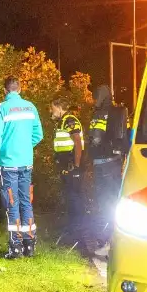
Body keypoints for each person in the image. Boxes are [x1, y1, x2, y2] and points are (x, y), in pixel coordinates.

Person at [0, 76, 44, 259]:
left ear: (5, 90)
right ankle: (30, 245)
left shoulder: (3, 109)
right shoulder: (31, 107)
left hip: (8, 164)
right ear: (19, 89)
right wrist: (26, 147)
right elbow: (38, 135)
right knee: (26, 202)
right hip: (26, 162)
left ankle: (16, 247)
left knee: (12, 204)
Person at [88, 85, 127, 245]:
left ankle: (108, 238)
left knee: (107, 202)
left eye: (95, 96)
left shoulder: (108, 113)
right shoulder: (114, 112)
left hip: (107, 164)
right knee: (106, 201)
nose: (93, 99)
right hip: (105, 163)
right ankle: (108, 237)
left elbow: (96, 139)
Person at [49, 99, 86, 247]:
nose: (51, 112)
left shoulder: (69, 120)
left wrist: (76, 166)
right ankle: (72, 232)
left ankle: (78, 235)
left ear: (59, 108)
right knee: (70, 199)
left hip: (72, 168)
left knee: (75, 200)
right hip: (66, 167)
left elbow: (77, 142)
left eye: (52, 109)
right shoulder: (63, 121)